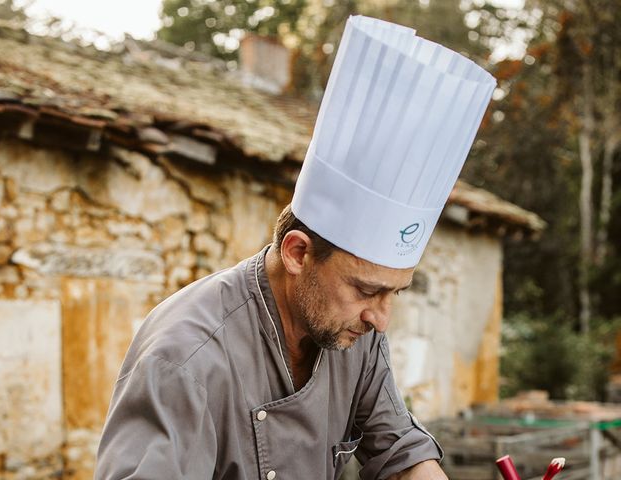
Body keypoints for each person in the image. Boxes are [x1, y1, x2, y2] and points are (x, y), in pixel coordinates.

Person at [95, 15, 495, 480]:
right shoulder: (184, 357)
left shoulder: (355, 334)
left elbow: (399, 451)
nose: (381, 319)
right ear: (298, 253)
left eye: (395, 293)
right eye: (366, 290)